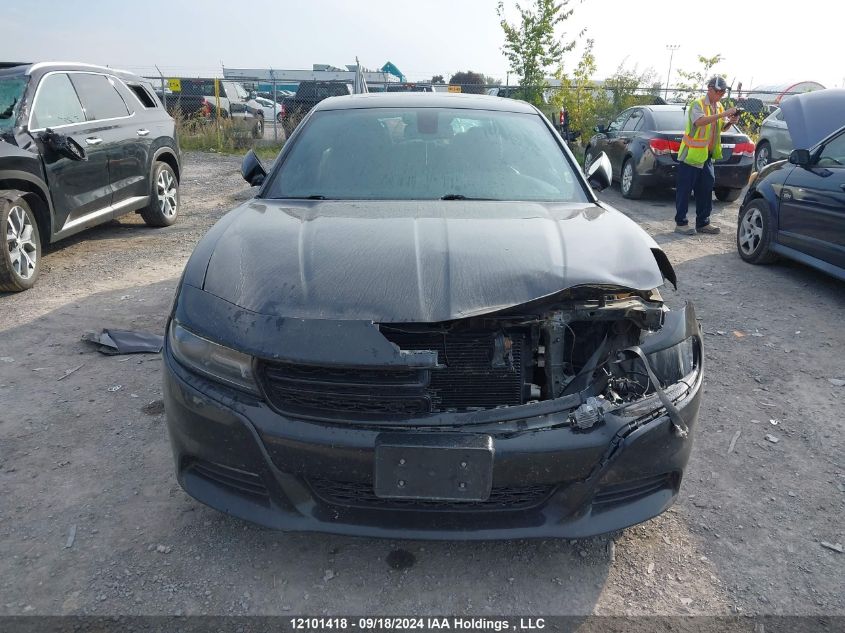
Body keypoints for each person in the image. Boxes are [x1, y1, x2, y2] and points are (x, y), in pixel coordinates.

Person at [674, 75, 739, 235]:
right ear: (709, 89)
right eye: (719, 91)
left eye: (723, 92)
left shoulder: (719, 107)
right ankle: (681, 224)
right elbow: (700, 122)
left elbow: (721, 128)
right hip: (691, 156)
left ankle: (703, 223)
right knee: (684, 190)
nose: (721, 95)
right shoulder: (698, 104)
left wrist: (731, 121)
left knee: (706, 189)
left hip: (707, 157)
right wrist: (723, 115)